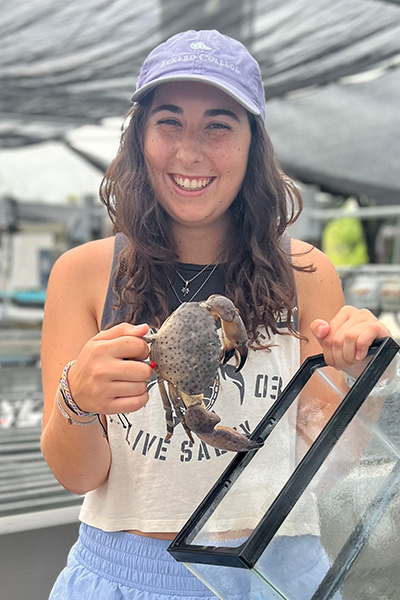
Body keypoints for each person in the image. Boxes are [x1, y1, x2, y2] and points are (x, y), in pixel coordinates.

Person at [41, 30, 391, 600]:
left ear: (254, 143)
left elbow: (323, 469)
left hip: (278, 569)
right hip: (129, 574)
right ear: (139, 138)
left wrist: (364, 380)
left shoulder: (306, 272)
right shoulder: (83, 274)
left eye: (219, 125)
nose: (190, 150)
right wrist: (76, 397)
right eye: (169, 121)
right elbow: (78, 476)